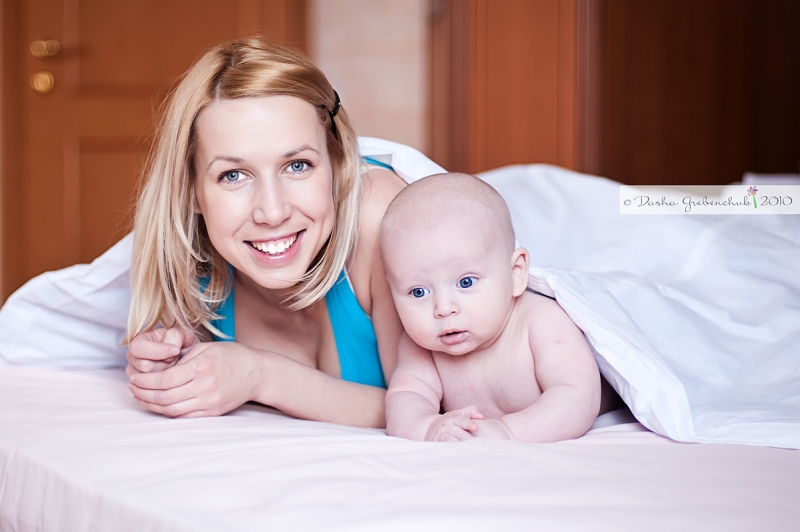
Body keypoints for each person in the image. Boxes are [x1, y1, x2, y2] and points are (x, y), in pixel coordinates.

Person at [125, 37, 407, 427]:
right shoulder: (195, 259)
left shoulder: (383, 219)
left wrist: (259, 375)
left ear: (337, 163)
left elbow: (437, 407)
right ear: (191, 193)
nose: (272, 213)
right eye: (233, 175)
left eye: (297, 165)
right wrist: (172, 366)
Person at [381, 173, 605, 442]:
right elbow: (405, 398)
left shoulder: (541, 322)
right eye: (418, 292)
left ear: (516, 273)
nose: (444, 308)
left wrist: (510, 431)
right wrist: (429, 427)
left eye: (465, 282)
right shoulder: (421, 346)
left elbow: (579, 395)